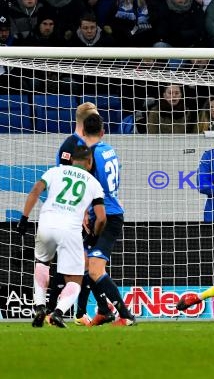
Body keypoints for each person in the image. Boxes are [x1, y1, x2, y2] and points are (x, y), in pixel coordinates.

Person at [16, 146, 107, 328]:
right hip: (70, 229)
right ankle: (58, 313)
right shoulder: (94, 183)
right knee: (75, 280)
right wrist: (94, 236)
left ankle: (40, 306)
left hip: (46, 223)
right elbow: (102, 217)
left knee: (42, 263)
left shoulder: (55, 171)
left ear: (71, 159)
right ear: (89, 163)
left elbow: (35, 190)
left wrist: (24, 218)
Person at [45, 102, 101, 327]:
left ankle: (72, 312)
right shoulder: (73, 144)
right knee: (77, 263)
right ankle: (53, 310)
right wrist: (85, 211)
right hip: (73, 213)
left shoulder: (80, 143)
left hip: (77, 212)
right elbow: (68, 180)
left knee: (83, 263)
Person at [82, 113, 136, 326]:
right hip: (109, 211)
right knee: (86, 265)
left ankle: (126, 315)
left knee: (95, 269)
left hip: (106, 216)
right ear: (103, 132)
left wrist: (88, 213)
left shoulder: (89, 155)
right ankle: (104, 310)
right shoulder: (109, 149)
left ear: (83, 133)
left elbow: (91, 186)